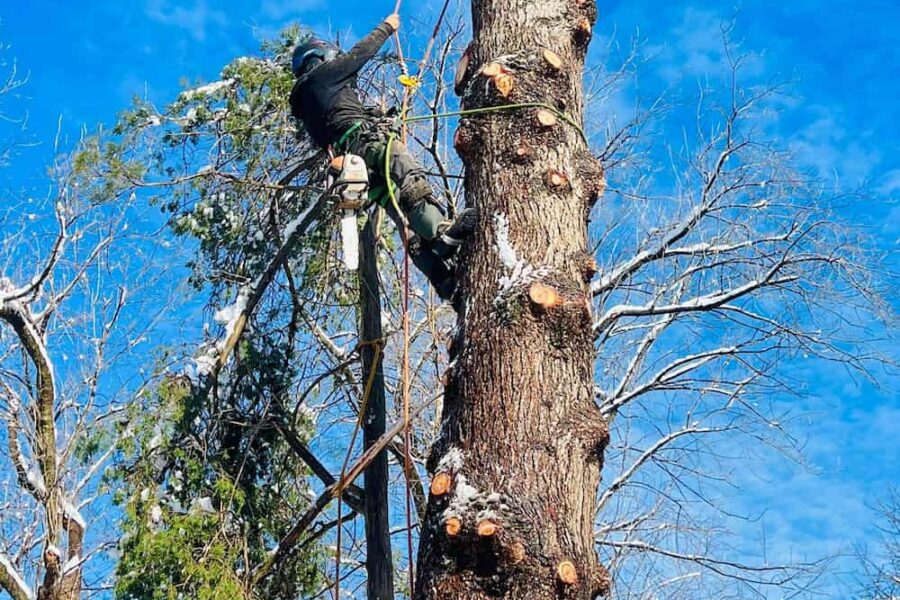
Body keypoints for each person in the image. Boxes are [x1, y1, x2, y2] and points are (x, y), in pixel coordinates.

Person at [289, 14, 475, 300]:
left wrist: (377, 117)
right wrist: (387, 27)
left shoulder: (308, 103)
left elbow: (338, 117)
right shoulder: (324, 74)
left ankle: (444, 281)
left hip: (355, 166)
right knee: (403, 165)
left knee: (399, 212)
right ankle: (440, 234)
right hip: (364, 143)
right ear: (320, 57)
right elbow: (360, 53)